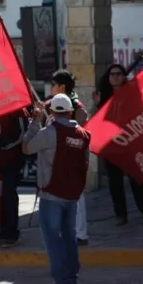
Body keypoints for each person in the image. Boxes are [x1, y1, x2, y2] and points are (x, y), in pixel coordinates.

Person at [22, 94, 91, 284]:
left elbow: (26, 147)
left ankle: (62, 282)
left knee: (53, 240)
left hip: (51, 194)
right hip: (72, 194)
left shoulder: (48, 133)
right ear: (70, 112)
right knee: (69, 237)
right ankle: (72, 278)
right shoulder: (83, 134)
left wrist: (35, 121)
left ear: (52, 112)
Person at [93, 63, 143, 226]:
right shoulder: (104, 96)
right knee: (115, 182)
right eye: (112, 74)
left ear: (124, 76)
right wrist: (99, 105)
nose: (115, 77)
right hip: (112, 144)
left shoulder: (132, 93)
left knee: (136, 178)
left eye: (119, 74)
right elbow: (101, 120)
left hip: (130, 141)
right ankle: (120, 215)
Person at [49, 69, 90, 246]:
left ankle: (80, 234)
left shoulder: (77, 107)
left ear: (62, 87)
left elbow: (80, 131)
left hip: (73, 159)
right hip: (56, 159)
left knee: (76, 198)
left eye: (53, 85)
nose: (51, 88)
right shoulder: (50, 105)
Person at [0, 104, 28, 247]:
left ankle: (12, 233)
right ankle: (4, 231)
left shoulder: (17, 108)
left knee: (9, 194)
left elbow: (22, 133)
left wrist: (4, 144)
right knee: (1, 196)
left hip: (13, 160)